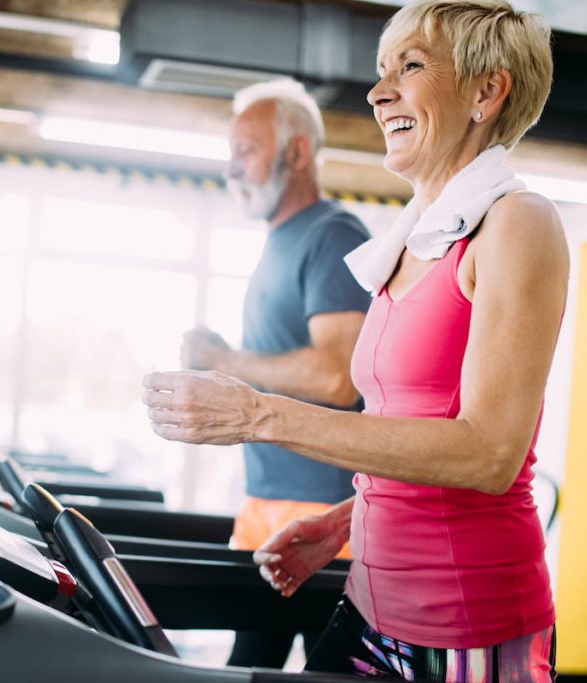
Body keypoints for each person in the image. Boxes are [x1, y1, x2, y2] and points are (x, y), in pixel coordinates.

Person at [143, 1, 567, 679]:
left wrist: (256, 412)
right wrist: (349, 516)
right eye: (381, 71)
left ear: (487, 91)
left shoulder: (518, 224)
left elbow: (489, 452)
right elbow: (412, 426)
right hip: (368, 604)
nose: (377, 92)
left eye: (411, 65)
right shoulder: (410, 242)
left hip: (466, 630)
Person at [181, 79, 373, 669]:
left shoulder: (332, 235)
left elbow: (339, 376)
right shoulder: (279, 243)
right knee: (249, 662)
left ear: (296, 153)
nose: (232, 169)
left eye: (246, 151)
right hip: (266, 499)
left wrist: (225, 362)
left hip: (318, 513)